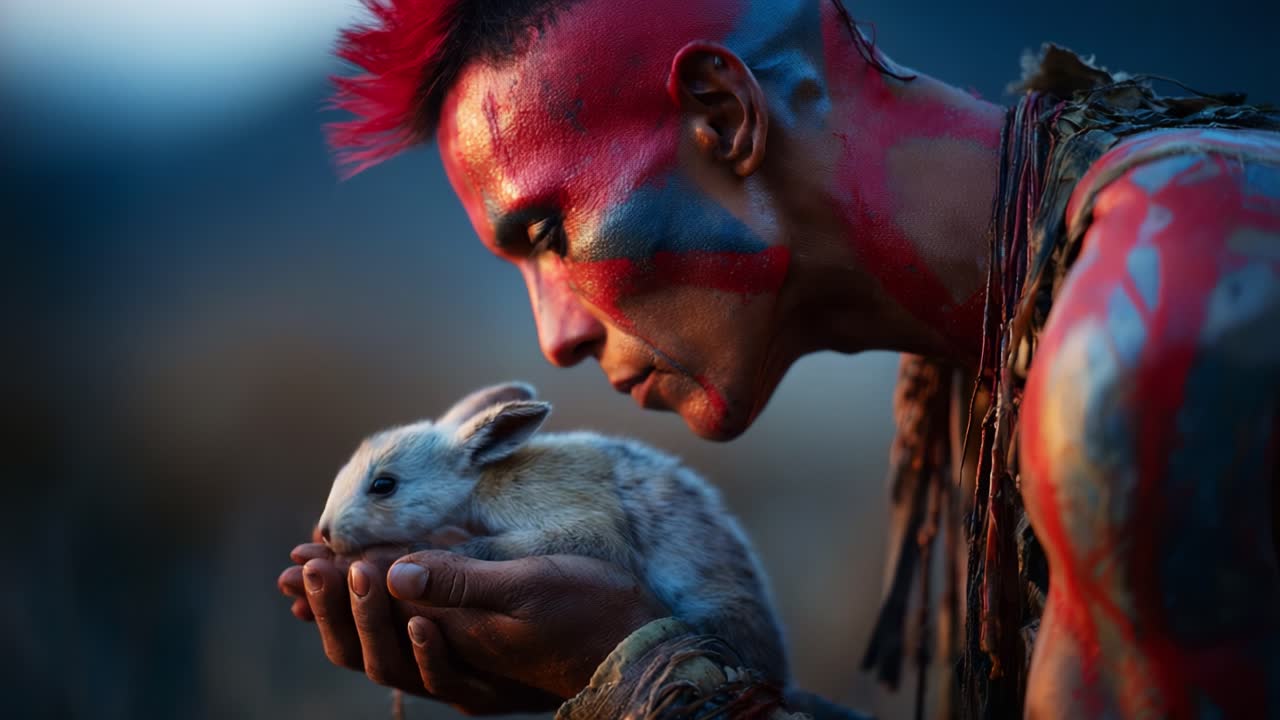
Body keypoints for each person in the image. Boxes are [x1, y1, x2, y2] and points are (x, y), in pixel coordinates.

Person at [277, 0, 1280, 717]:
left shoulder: (1141, 351)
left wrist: (643, 676)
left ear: (721, 115)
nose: (558, 336)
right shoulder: (1019, 311)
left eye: (548, 234)